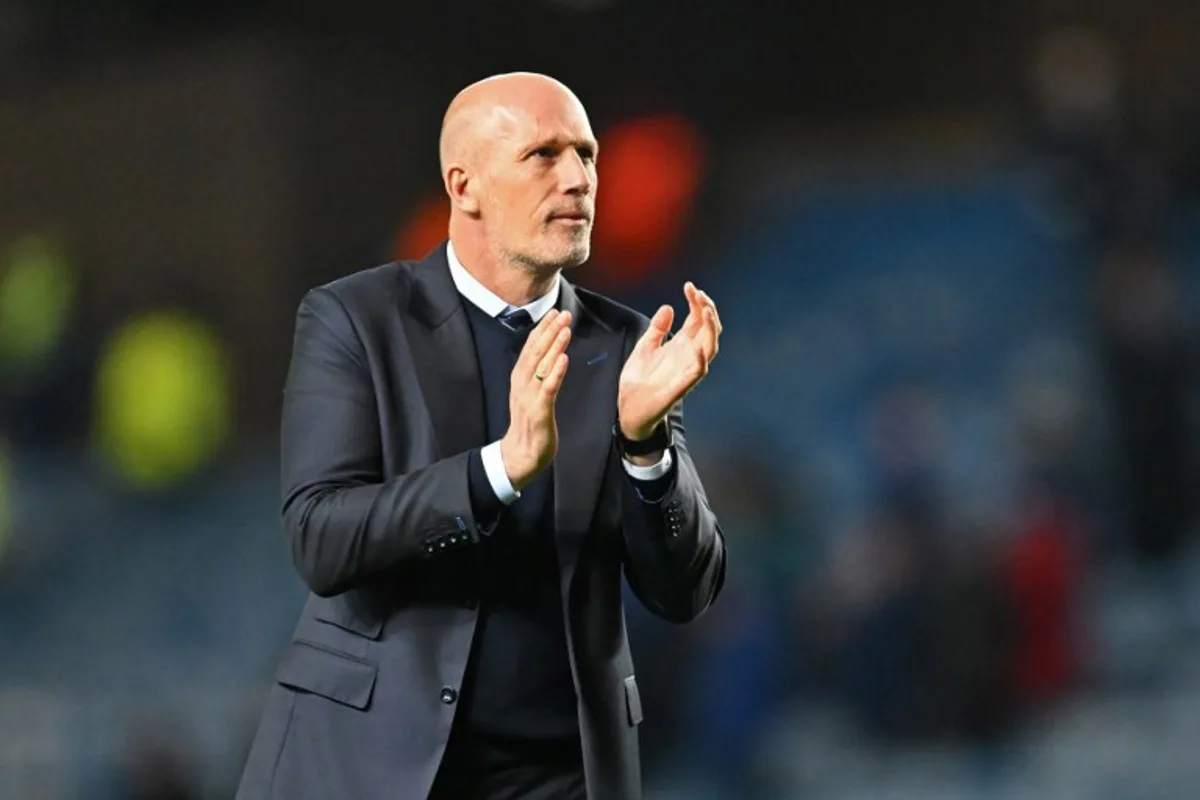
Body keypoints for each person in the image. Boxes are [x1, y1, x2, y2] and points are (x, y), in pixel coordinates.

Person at [235, 72, 726, 800]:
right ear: (464, 186)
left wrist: (644, 446)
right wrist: (497, 470)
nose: (580, 178)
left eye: (587, 155)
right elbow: (321, 537)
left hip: (559, 775)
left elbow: (684, 593)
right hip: (368, 763)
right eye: (544, 155)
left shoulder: (625, 344)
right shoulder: (356, 320)